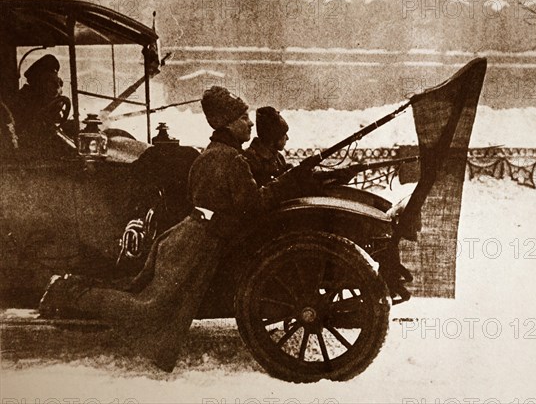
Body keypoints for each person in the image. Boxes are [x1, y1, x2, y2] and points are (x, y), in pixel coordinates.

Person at [38, 86, 312, 372]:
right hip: (196, 244)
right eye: (244, 117)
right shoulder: (228, 159)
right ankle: (70, 292)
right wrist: (291, 181)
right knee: (148, 307)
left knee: (142, 296)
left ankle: (76, 290)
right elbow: (254, 203)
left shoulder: (217, 154)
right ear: (228, 123)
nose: (250, 123)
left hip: (192, 237)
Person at [9, 54, 70, 153]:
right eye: (52, 83)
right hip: (27, 148)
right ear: (40, 82)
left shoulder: (40, 97)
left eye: (57, 84)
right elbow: (33, 127)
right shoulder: (23, 98)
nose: (56, 89)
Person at [244, 106, 292, 186]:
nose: (287, 138)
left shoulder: (278, 158)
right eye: (283, 134)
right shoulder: (250, 159)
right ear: (274, 137)